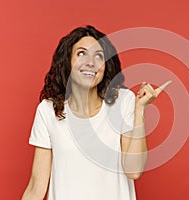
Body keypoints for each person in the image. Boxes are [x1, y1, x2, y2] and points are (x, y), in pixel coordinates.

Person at [21, 25, 171, 200]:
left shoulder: (123, 101)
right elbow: (36, 187)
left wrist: (140, 111)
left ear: (105, 66)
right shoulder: (47, 111)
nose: (90, 62)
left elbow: (134, 171)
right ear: (67, 61)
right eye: (81, 53)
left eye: (99, 56)